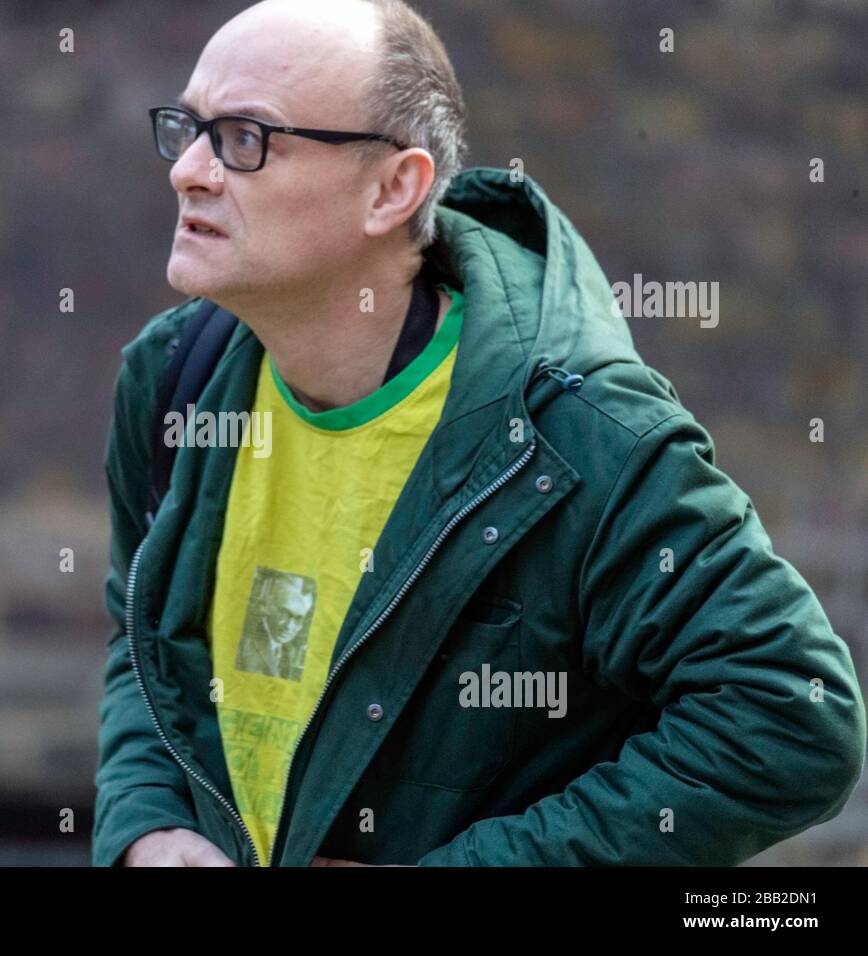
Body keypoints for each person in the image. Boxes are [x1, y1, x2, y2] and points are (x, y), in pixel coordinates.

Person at [92, 0, 866, 867]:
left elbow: (794, 718)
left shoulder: (579, 438)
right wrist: (148, 827)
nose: (189, 171)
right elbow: (143, 637)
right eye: (189, 127)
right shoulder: (172, 382)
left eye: (245, 139)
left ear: (394, 189)